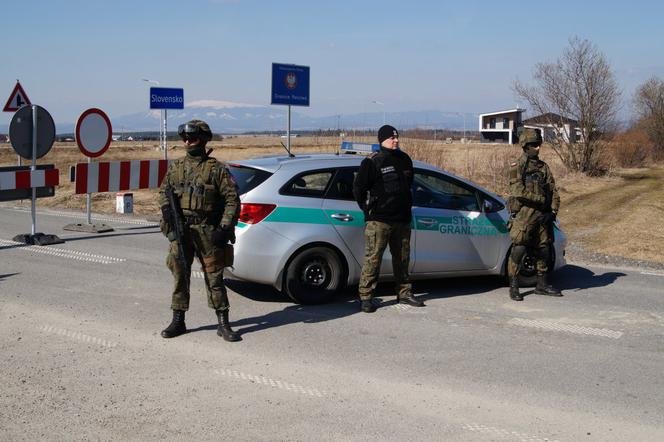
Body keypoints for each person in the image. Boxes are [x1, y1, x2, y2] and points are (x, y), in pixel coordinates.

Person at [158, 119, 242, 341]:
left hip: (208, 230)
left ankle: (223, 323)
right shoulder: (176, 168)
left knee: (214, 277)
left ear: (204, 139)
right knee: (179, 274)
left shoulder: (217, 170)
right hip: (181, 229)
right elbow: (163, 193)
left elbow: (232, 200)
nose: (187, 141)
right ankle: (178, 320)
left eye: (192, 137)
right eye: (185, 138)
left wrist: (224, 228)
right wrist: (168, 214)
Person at [352, 124, 425, 313]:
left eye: (397, 137)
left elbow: (408, 185)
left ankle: (404, 292)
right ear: (382, 140)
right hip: (379, 220)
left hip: (402, 219)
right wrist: (366, 210)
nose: (396, 140)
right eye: (392, 138)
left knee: (402, 258)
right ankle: (366, 297)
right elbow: (358, 188)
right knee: (373, 259)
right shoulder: (372, 162)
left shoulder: (404, 159)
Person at [507, 127, 562, 301]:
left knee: (544, 249)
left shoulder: (543, 167)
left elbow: (553, 189)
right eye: (533, 145)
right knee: (519, 249)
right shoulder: (518, 166)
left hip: (542, 216)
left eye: (538, 144)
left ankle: (542, 284)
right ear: (525, 146)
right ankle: (514, 286)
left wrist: (553, 210)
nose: (537, 148)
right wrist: (540, 200)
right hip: (524, 215)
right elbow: (518, 191)